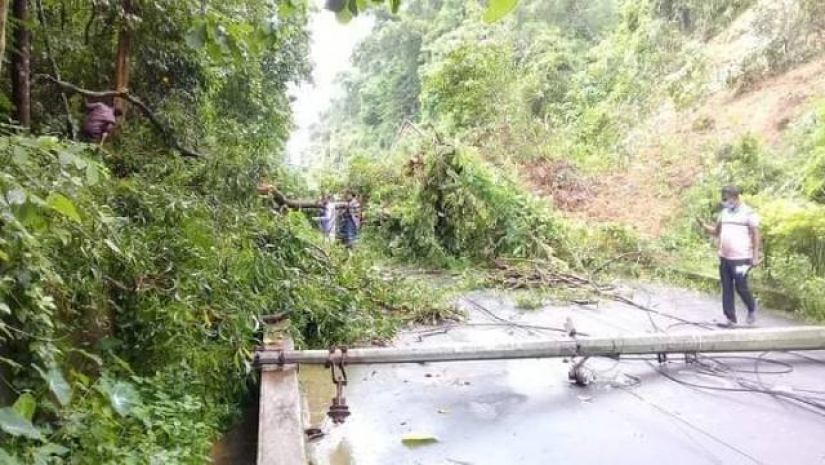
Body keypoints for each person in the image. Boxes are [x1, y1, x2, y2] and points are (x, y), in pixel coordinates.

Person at [698, 185, 762, 327]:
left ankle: (751, 307)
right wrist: (703, 226)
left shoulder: (748, 213)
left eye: (726, 199)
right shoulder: (724, 213)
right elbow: (716, 231)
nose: (724, 201)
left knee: (741, 286)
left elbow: (756, 235)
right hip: (725, 257)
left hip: (741, 258)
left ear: (734, 197)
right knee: (726, 288)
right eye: (723, 199)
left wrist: (755, 255)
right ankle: (730, 319)